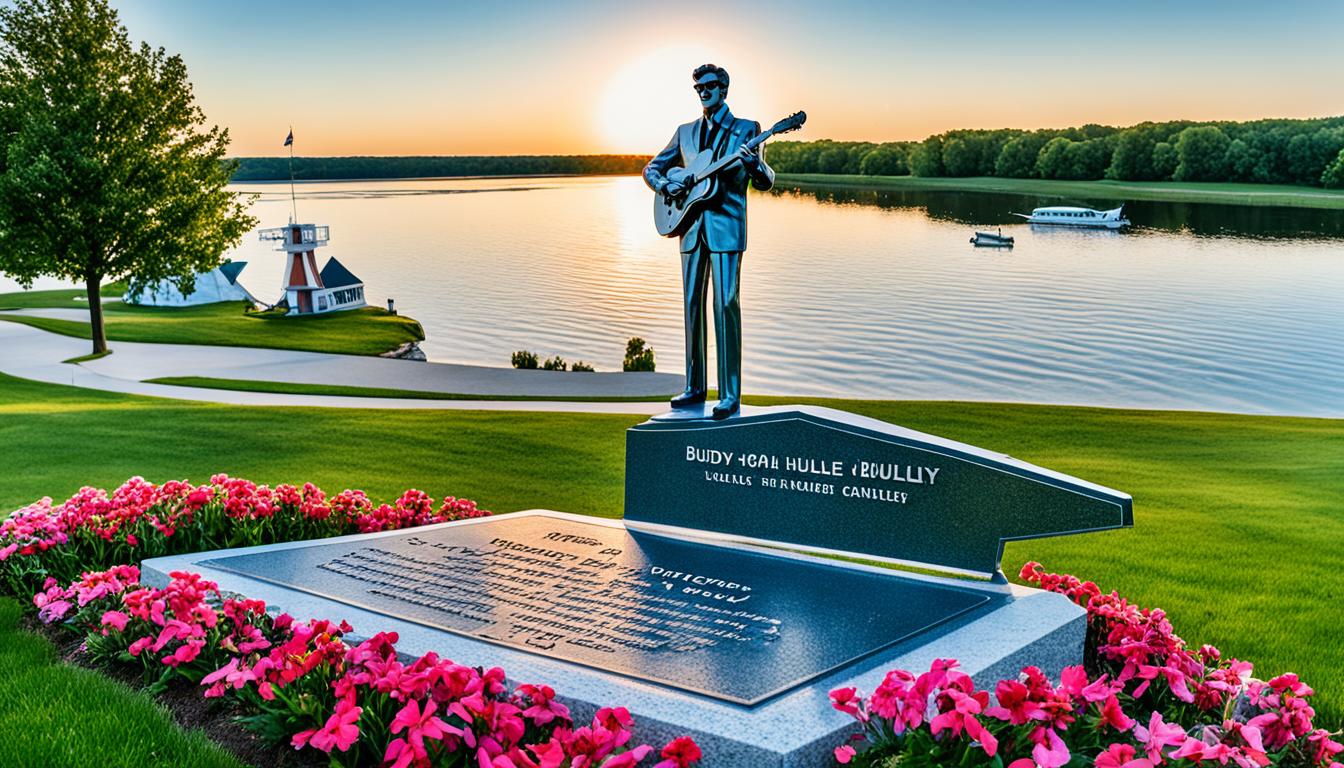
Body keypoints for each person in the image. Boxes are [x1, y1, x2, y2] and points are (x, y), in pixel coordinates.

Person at [643, 63, 775, 419]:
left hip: (727, 227)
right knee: (691, 306)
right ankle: (695, 386)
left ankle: (730, 393)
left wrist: (753, 167)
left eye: (710, 85)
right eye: (698, 86)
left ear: (724, 89)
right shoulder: (684, 132)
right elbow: (651, 168)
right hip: (689, 225)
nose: (703, 90)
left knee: (726, 304)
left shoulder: (746, 130)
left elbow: (766, 180)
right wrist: (666, 185)